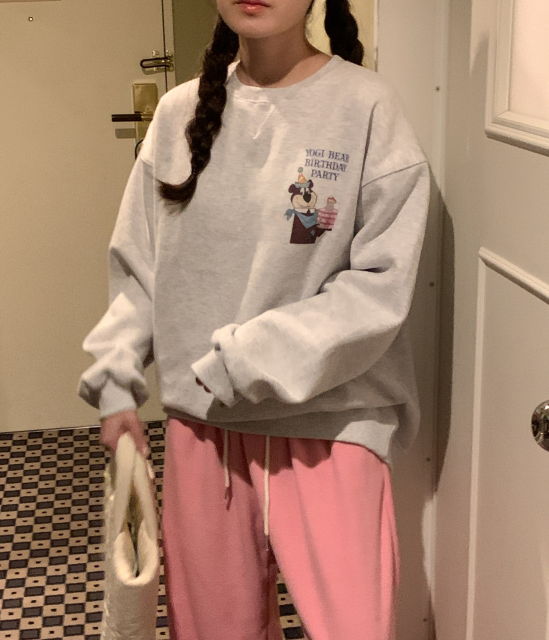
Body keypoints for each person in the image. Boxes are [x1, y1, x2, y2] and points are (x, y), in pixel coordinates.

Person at [79, 0, 430, 638]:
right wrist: (115, 381)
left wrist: (247, 357)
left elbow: (380, 286)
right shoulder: (178, 114)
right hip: (204, 428)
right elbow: (139, 270)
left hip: (334, 421)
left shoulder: (367, 107)